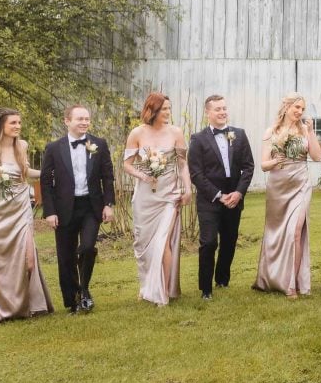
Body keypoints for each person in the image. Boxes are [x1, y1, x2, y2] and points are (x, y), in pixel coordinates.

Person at [0, 108, 54, 327]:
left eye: (19, 122)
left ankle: (28, 304)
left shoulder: (22, 146)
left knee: (28, 261)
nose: (18, 126)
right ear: (1, 125)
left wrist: (49, 172)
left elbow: (25, 171)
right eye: (13, 123)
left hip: (20, 208)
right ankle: (0, 308)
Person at [40, 104, 115, 314]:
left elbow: (107, 176)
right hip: (64, 208)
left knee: (87, 248)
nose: (84, 123)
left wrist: (109, 204)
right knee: (66, 256)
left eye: (87, 119)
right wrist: (50, 211)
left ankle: (84, 291)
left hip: (91, 206)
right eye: (79, 119)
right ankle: (72, 301)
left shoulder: (99, 144)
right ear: (67, 121)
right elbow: (46, 182)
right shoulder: (54, 148)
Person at [123, 92, 193, 306]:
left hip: (169, 196)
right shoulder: (137, 133)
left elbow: (182, 165)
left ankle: (165, 290)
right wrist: (142, 175)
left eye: (169, 109)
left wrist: (188, 189)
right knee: (144, 244)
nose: (168, 113)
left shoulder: (176, 132)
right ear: (152, 110)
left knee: (164, 243)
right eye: (164, 109)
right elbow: (126, 164)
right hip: (145, 196)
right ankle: (146, 286)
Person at [253, 93, 321, 297]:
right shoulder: (271, 131)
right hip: (278, 186)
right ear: (286, 107)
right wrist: (276, 161)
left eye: (302, 108)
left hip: (300, 184)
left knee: (296, 232)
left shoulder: (304, 130)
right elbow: (264, 165)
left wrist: (310, 131)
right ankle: (272, 277)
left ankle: (292, 283)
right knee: (277, 233)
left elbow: (317, 156)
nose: (300, 112)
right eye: (297, 107)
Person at [188, 94, 255, 300]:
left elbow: (248, 167)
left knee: (229, 240)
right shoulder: (198, 139)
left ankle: (222, 279)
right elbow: (196, 174)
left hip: (234, 197)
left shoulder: (240, 134)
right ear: (208, 113)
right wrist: (218, 195)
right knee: (208, 242)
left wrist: (238, 193)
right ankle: (205, 288)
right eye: (217, 109)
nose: (222, 112)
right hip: (209, 198)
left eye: (224, 108)